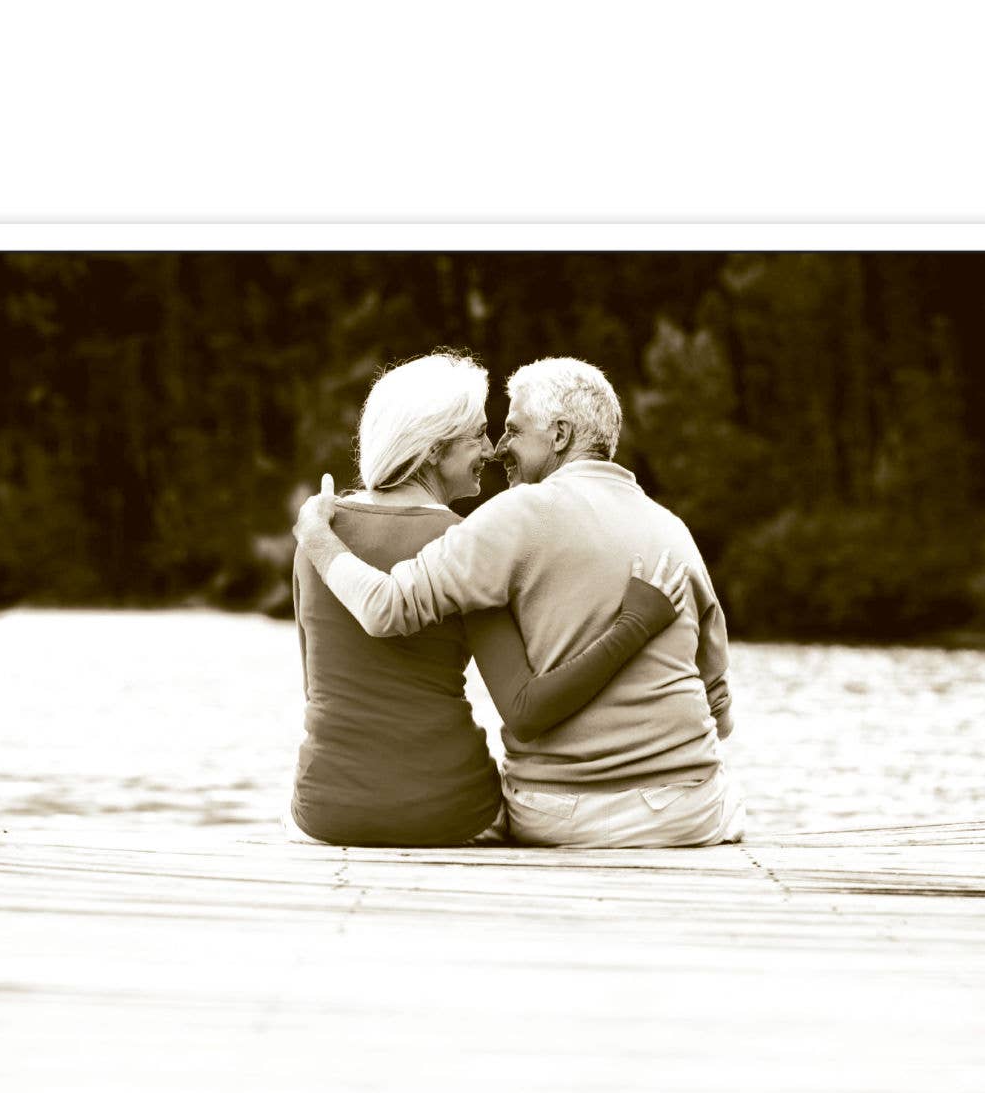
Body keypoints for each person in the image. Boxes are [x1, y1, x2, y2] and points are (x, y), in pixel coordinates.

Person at [293, 356, 744, 848]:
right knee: (726, 795)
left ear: (560, 435)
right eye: (487, 433)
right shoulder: (673, 529)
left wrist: (316, 536)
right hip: (686, 811)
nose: (498, 447)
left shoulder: (504, 522)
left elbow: (372, 624)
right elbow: (718, 708)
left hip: (553, 814)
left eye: (511, 429)